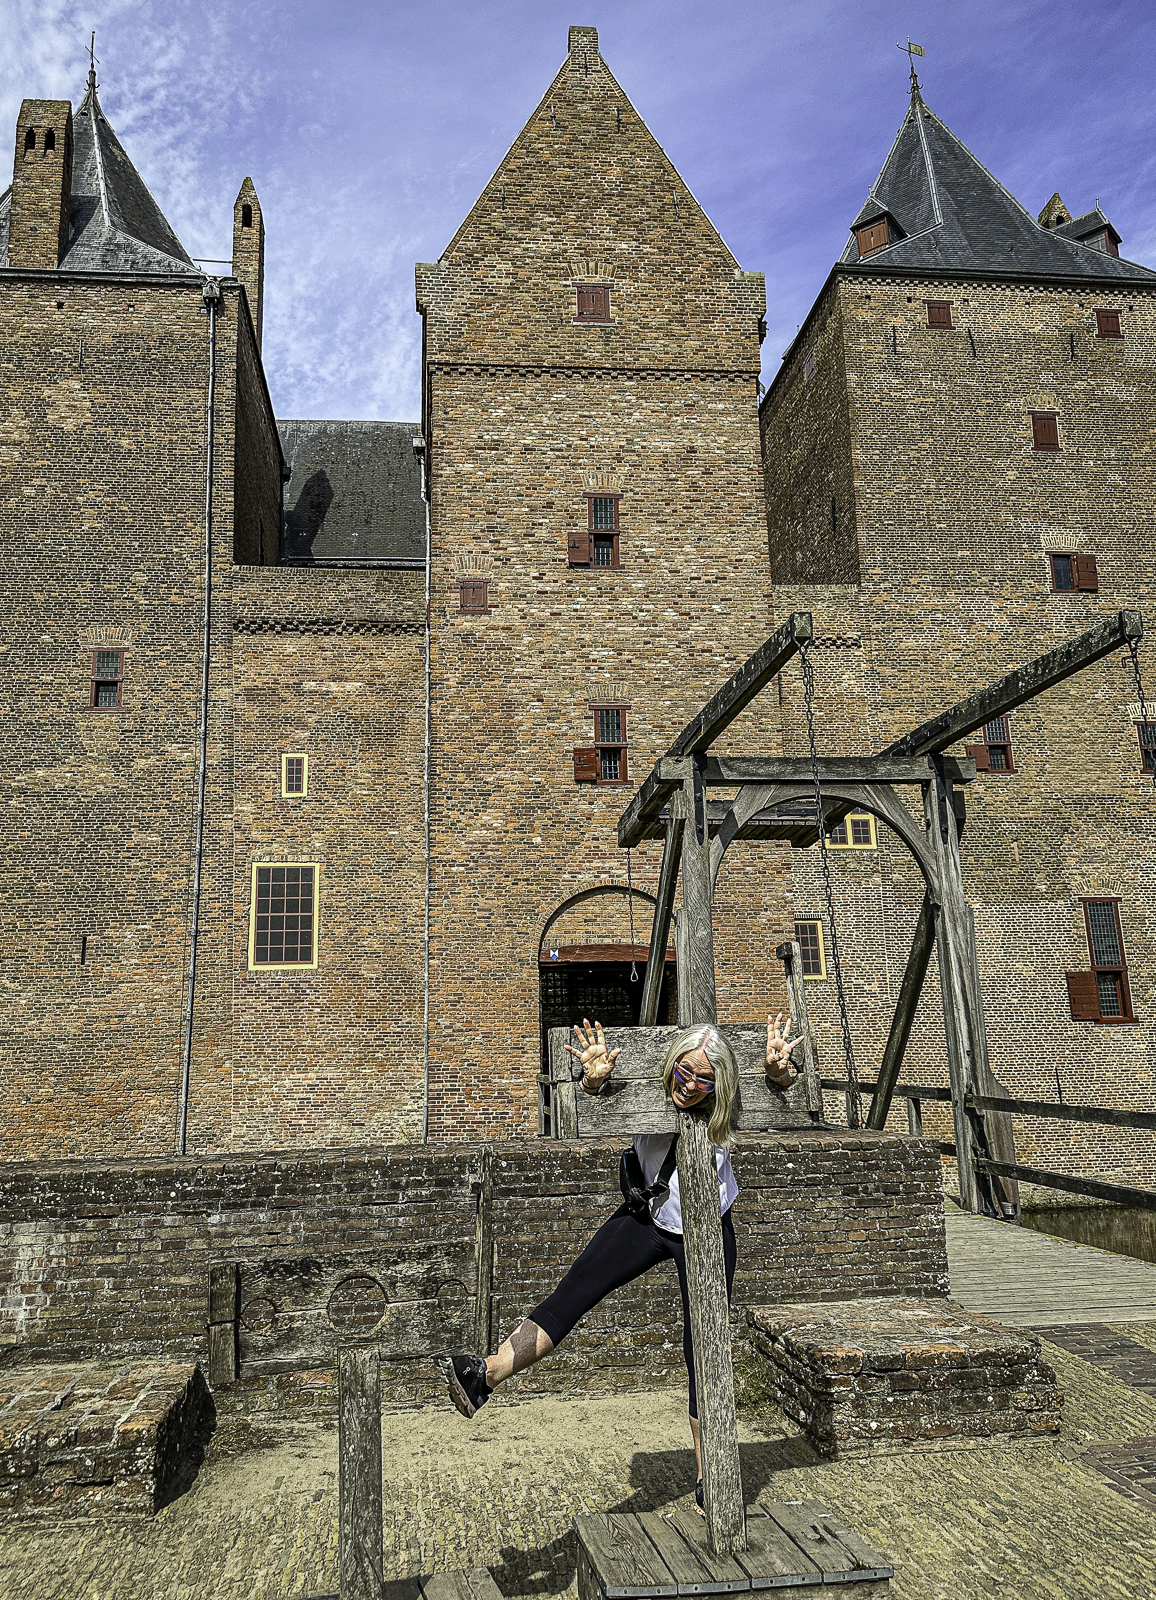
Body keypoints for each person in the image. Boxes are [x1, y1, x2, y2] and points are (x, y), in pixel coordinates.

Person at [444, 1011, 801, 1508]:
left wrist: (781, 1074)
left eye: (704, 1079)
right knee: (572, 1293)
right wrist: (592, 1081)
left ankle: (712, 1476)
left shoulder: (728, 1098)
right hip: (647, 1217)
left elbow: (784, 1092)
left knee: (703, 1345)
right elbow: (592, 1096)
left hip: (706, 1227)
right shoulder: (656, 1083)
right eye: (684, 1071)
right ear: (669, 1064)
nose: (690, 1085)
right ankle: (485, 1374)